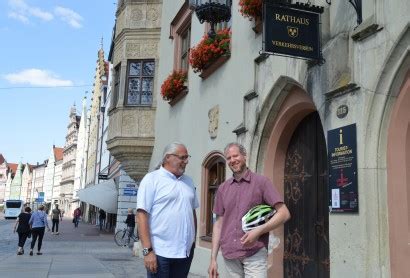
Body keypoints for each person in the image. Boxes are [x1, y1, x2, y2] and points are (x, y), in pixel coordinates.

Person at [208, 143, 291, 278]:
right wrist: (213, 259)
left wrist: (259, 230)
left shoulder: (262, 182)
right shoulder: (223, 188)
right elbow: (218, 225)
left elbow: (284, 213)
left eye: (235, 156)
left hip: (254, 253)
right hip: (229, 256)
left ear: (244, 156)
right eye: (228, 158)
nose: (232, 160)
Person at [137, 142, 199, 277]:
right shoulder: (152, 179)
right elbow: (142, 215)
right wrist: (147, 251)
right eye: (182, 157)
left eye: (187, 157)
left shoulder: (188, 181)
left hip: (185, 252)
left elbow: (192, 212)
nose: (186, 161)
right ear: (167, 158)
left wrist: (192, 241)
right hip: (160, 252)